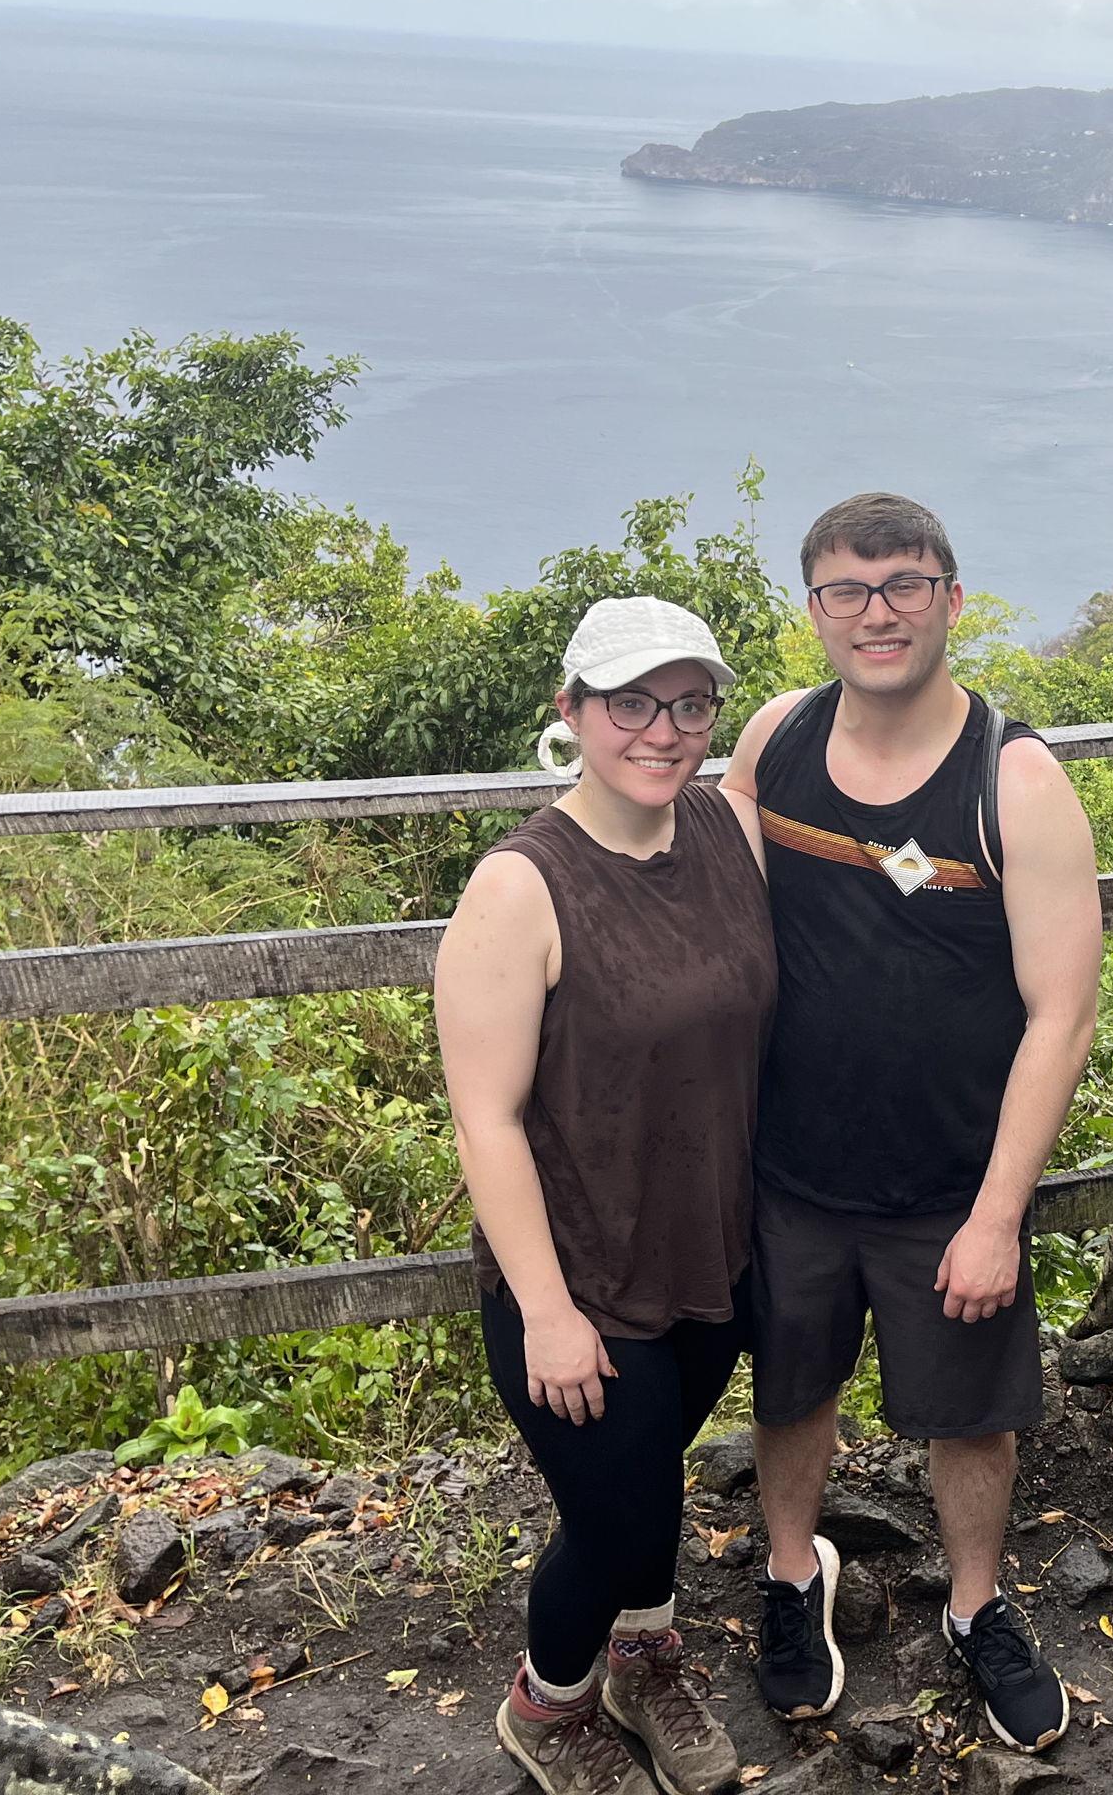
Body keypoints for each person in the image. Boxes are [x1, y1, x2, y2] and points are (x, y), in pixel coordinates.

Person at [722, 493, 1102, 1753]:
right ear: (814, 608)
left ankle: (978, 1607)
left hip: (950, 1175)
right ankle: (793, 1576)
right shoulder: (773, 741)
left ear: (948, 593)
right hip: (791, 1165)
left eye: (900, 582)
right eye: (846, 588)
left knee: (970, 1411)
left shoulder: (1014, 777)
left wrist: (998, 1214)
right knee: (791, 1386)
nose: (873, 610)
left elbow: (1060, 1013)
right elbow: (718, 927)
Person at [436, 596, 774, 1795]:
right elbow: (485, 1116)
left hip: (711, 1261)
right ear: (570, 713)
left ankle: (643, 1658)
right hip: (578, 1280)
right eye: (631, 701)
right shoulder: (521, 885)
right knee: (623, 1519)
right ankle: (550, 1703)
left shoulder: (728, 831)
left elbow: (828, 733)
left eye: (690, 702)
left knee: (649, 1490)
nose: (664, 728)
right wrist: (547, 1308)